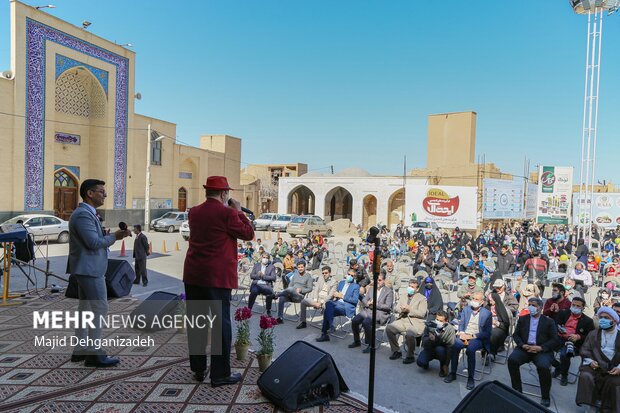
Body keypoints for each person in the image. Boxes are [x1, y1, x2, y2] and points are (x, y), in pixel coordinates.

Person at [183, 176, 254, 385]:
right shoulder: (227, 213)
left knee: (197, 323)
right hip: (216, 277)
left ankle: (198, 368)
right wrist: (239, 210)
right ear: (224, 194)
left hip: (194, 274)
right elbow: (248, 233)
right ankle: (220, 374)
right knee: (220, 326)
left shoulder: (194, 212)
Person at [67, 179, 131, 367]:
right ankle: (94, 353)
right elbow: (93, 243)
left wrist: (108, 236)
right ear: (90, 193)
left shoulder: (88, 214)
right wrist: (114, 237)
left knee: (85, 309)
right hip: (90, 269)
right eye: (101, 191)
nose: (105, 194)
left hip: (88, 268)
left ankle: (80, 350)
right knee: (99, 308)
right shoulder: (83, 215)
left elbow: (94, 238)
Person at [507, 297, 559, 408]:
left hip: (541, 350)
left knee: (543, 366)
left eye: (534, 305)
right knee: (512, 360)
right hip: (525, 348)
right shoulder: (523, 319)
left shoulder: (549, 321)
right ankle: (517, 389)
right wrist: (522, 345)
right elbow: (516, 335)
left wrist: (541, 348)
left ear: (540, 308)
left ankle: (545, 396)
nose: (531, 307)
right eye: (529, 304)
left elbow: (554, 340)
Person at [444, 291, 492, 390]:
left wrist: (472, 336)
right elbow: (461, 324)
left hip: (477, 337)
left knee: (470, 350)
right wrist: (461, 333)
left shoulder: (487, 314)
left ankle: (470, 378)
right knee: (455, 345)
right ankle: (453, 373)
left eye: (476, 299)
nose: (474, 301)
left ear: (482, 302)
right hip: (464, 334)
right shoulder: (466, 309)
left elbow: (487, 333)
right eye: (473, 298)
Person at [576, 307, 620, 413]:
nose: (603, 320)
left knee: (615, 383)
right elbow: (585, 350)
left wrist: (619, 368)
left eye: (606, 318)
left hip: (614, 368)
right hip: (596, 366)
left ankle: (608, 408)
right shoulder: (593, 334)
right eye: (601, 317)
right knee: (586, 376)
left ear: (614, 320)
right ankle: (592, 404)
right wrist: (590, 361)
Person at [553, 297, 595, 386]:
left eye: (578, 306)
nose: (575, 307)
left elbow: (590, 336)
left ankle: (564, 375)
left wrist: (578, 336)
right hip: (560, 338)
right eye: (573, 305)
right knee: (544, 348)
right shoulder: (563, 313)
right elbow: (555, 324)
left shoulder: (588, 321)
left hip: (574, 343)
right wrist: (559, 329)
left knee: (565, 354)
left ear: (583, 308)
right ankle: (559, 367)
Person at [349, 274, 394, 353]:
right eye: (376, 279)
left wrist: (375, 304)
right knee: (355, 320)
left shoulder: (388, 291)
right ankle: (357, 341)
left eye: (379, 280)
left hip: (379, 313)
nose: (377, 281)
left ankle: (370, 345)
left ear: (384, 281)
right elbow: (365, 300)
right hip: (368, 310)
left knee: (366, 322)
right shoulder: (371, 289)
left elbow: (388, 307)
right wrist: (367, 303)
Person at [386, 279, 427, 363]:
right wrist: (401, 309)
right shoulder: (404, 295)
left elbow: (422, 313)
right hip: (403, 319)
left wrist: (409, 310)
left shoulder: (422, 299)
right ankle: (396, 351)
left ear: (417, 289)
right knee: (389, 328)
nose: (410, 288)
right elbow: (396, 308)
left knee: (410, 334)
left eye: (412, 287)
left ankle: (410, 356)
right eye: (409, 286)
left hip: (414, 322)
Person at [316, 274, 360, 342]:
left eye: (352, 275)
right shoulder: (342, 283)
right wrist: (335, 295)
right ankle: (327, 330)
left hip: (346, 306)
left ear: (354, 277)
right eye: (348, 274)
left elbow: (355, 300)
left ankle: (326, 330)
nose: (349, 276)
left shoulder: (356, 286)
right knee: (328, 305)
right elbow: (336, 294)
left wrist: (342, 296)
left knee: (328, 308)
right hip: (336, 304)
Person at [417, 310, 456, 377]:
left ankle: (442, 367)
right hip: (430, 349)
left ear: (446, 321)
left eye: (441, 321)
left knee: (440, 349)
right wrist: (430, 339)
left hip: (442, 351)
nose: (438, 322)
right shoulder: (430, 325)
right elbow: (423, 341)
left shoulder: (450, 329)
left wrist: (446, 365)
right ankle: (426, 362)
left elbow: (450, 347)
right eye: (437, 319)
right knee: (420, 362)